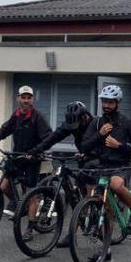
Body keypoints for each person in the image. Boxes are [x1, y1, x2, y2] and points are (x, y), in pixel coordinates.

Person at [80, 85, 131, 259]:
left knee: (116, 184)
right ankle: (106, 249)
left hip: (122, 166)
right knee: (106, 208)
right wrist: (99, 135)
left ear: (117, 103)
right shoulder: (96, 123)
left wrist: (121, 146)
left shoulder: (127, 123)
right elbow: (84, 146)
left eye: (110, 102)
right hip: (103, 166)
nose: (106, 105)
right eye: (104, 101)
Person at [27, 101, 94, 246]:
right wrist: (35, 151)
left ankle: (99, 225)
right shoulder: (71, 123)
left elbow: (104, 144)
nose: (74, 128)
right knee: (76, 197)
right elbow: (53, 138)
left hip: (98, 162)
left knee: (91, 196)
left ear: (85, 117)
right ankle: (72, 235)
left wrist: (89, 154)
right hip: (83, 161)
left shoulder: (95, 124)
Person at [0, 85, 52, 218]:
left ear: (32, 100)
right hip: (17, 157)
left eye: (29, 98)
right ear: (18, 98)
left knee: (30, 193)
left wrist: (35, 151)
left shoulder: (37, 117)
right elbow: (6, 129)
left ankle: (30, 229)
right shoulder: (16, 115)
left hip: (32, 159)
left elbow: (48, 138)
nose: (26, 100)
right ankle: (17, 202)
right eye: (23, 97)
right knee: (3, 187)